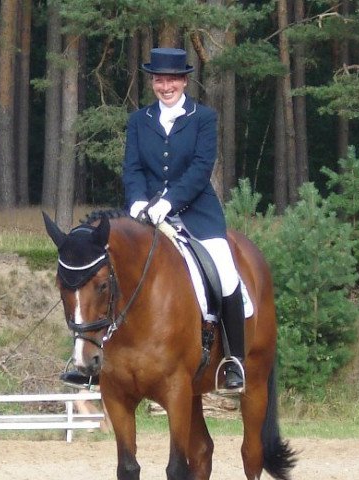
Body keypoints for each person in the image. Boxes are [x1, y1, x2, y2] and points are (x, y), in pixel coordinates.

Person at [122, 47, 245, 390]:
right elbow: (132, 168)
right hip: (146, 216)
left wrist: (170, 201)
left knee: (224, 272)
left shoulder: (203, 118)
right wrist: (136, 202)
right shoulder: (138, 121)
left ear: (185, 81)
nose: (166, 86)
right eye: (160, 80)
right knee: (113, 269)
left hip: (197, 214)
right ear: (153, 83)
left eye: (172, 79)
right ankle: (98, 358)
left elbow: (201, 168)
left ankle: (235, 360)